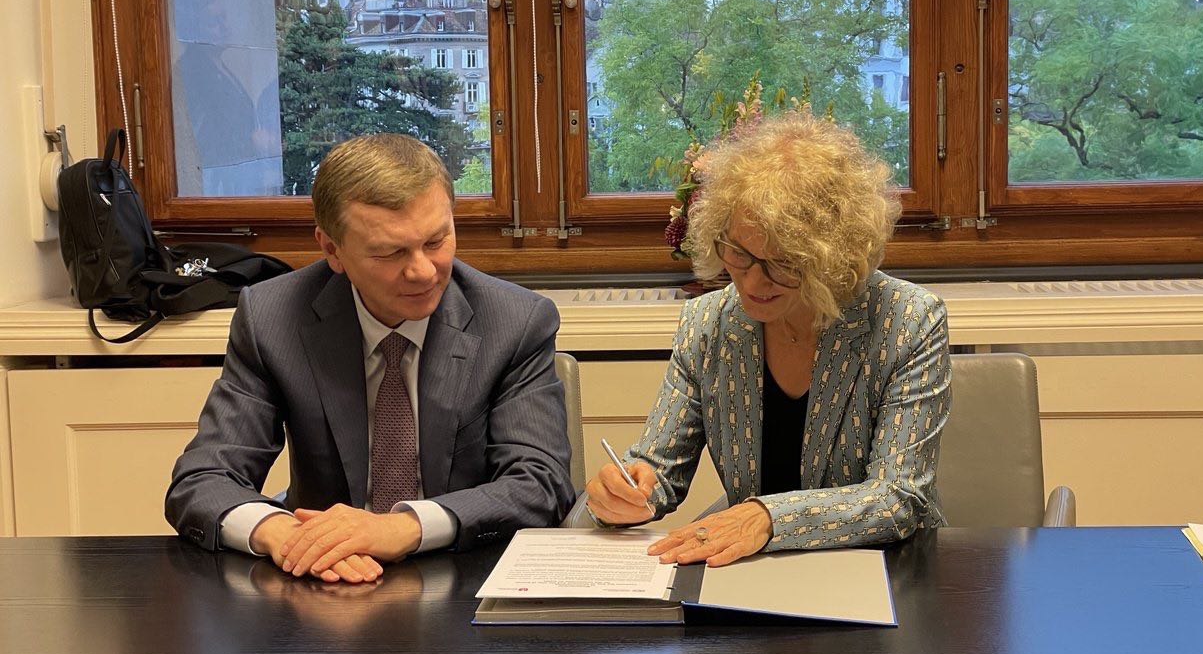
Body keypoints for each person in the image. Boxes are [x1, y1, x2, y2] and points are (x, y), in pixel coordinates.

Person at [166, 134, 576, 583]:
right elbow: (202, 479)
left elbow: (540, 484)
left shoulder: (514, 322)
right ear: (332, 250)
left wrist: (402, 527)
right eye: (389, 252)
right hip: (327, 581)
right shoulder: (272, 318)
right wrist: (282, 534)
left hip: (465, 577)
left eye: (436, 241)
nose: (422, 271)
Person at [585, 113, 950, 567]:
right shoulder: (708, 323)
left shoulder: (907, 321)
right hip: (752, 574)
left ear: (832, 256)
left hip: (884, 568)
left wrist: (768, 517)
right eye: (739, 253)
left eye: (783, 263)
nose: (753, 282)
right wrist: (624, 494)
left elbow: (898, 497)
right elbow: (659, 469)